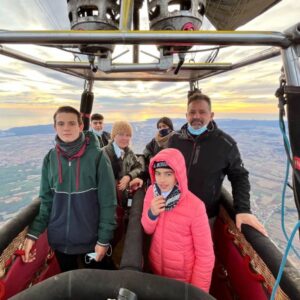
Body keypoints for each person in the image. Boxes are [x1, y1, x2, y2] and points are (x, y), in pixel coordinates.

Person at [22, 106, 117, 272]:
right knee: (71, 285)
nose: (66, 128)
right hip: (60, 242)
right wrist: (33, 234)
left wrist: (103, 240)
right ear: (55, 127)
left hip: (92, 241)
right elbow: (46, 200)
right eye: (61, 123)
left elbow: (108, 202)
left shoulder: (98, 157)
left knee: (99, 283)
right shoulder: (50, 159)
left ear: (81, 127)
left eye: (72, 123)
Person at [168, 92, 267, 235]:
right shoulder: (175, 140)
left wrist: (243, 209)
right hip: (175, 211)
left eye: (202, 112)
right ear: (187, 115)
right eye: (192, 112)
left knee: (202, 255)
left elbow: (239, 176)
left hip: (205, 216)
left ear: (211, 115)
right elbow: (163, 167)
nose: (196, 116)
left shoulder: (225, 144)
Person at [141, 148, 215, 292]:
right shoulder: (151, 192)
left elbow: (205, 256)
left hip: (182, 279)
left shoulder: (195, 207)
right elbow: (147, 228)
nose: (161, 180)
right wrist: (152, 214)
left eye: (168, 174)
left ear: (178, 175)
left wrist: (197, 293)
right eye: (158, 174)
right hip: (157, 271)